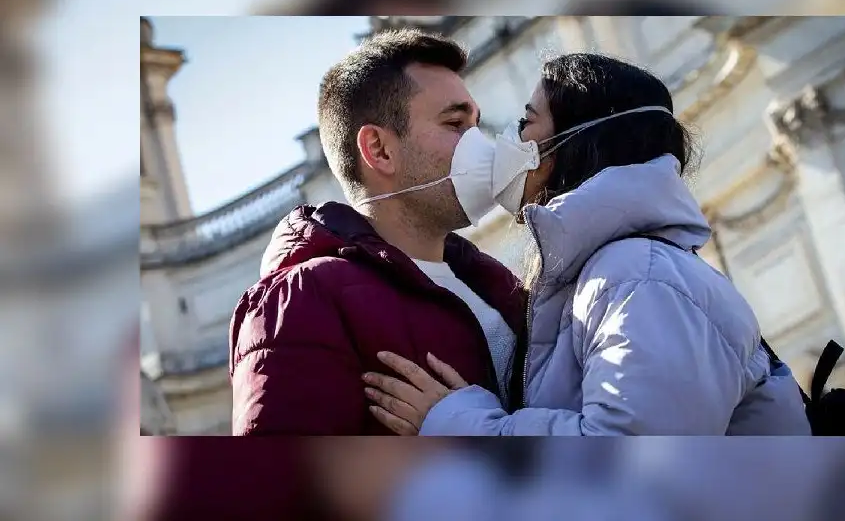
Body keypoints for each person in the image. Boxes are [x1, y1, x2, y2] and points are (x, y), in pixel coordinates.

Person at [362, 52, 812, 435]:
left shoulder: (640, 276)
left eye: (525, 122)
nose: (504, 142)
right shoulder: (617, 272)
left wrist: (456, 423)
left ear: (570, 143)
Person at [228, 29, 528, 435]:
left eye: (476, 122)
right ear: (379, 150)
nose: (480, 143)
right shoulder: (299, 302)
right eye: (455, 123)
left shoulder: (498, 285)